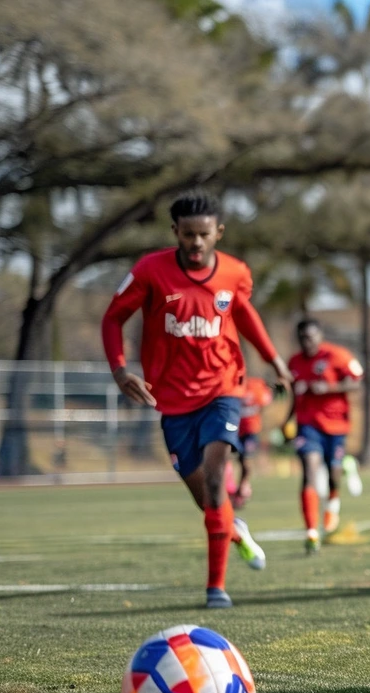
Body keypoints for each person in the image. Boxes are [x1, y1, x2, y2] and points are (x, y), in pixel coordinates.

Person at [101, 191, 291, 609]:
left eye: (204, 235)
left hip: (224, 389)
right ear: (176, 233)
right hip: (170, 400)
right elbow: (113, 317)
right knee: (207, 500)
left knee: (213, 477)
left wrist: (274, 359)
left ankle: (216, 589)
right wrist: (119, 370)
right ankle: (234, 529)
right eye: (188, 235)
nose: (196, 243)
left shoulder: (235, 273)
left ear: (218, 232)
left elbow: (242, 313)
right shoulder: (150, 271)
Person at [287, 319, 364, 554]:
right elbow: (293, 395)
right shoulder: (294, 363)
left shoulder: (338, 355)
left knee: (333, 473)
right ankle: (311, 532)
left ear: (319, 336)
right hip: (307, 425)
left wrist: (330, 389)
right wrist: (287, 419)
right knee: (309, 470)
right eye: (302, 338)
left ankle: (333, 501)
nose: (306, 343)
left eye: (310, 338)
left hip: (336, 425)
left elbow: (357, 381)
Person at [231, 376, 274, 509]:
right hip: (232, 430)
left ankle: (243, 487)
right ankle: (229, 488)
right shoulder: (230, 386)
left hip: (250, 432)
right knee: (225, 458)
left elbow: (267, 401)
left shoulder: (257, 387)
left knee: (246, 461)